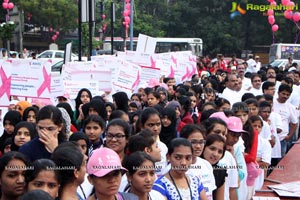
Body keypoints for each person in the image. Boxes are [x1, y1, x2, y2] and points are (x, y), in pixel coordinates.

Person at [180, 124, 216, 200]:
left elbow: (210, 194)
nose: (198, 146)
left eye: (201, 142)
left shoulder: (206, 165)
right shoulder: (175, 168)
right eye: (193, 142)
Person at [139, 108, 168, 177]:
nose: (155, 128)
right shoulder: (137, 146)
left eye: (158, 124)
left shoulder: (163, 147)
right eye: (151, 125)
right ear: (142, 126)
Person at [201, 134, 227, 200]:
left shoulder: (220, 172)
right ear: (203, 147)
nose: (215, 154)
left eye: (220, 152)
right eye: (212, 149)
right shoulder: (190, 168)